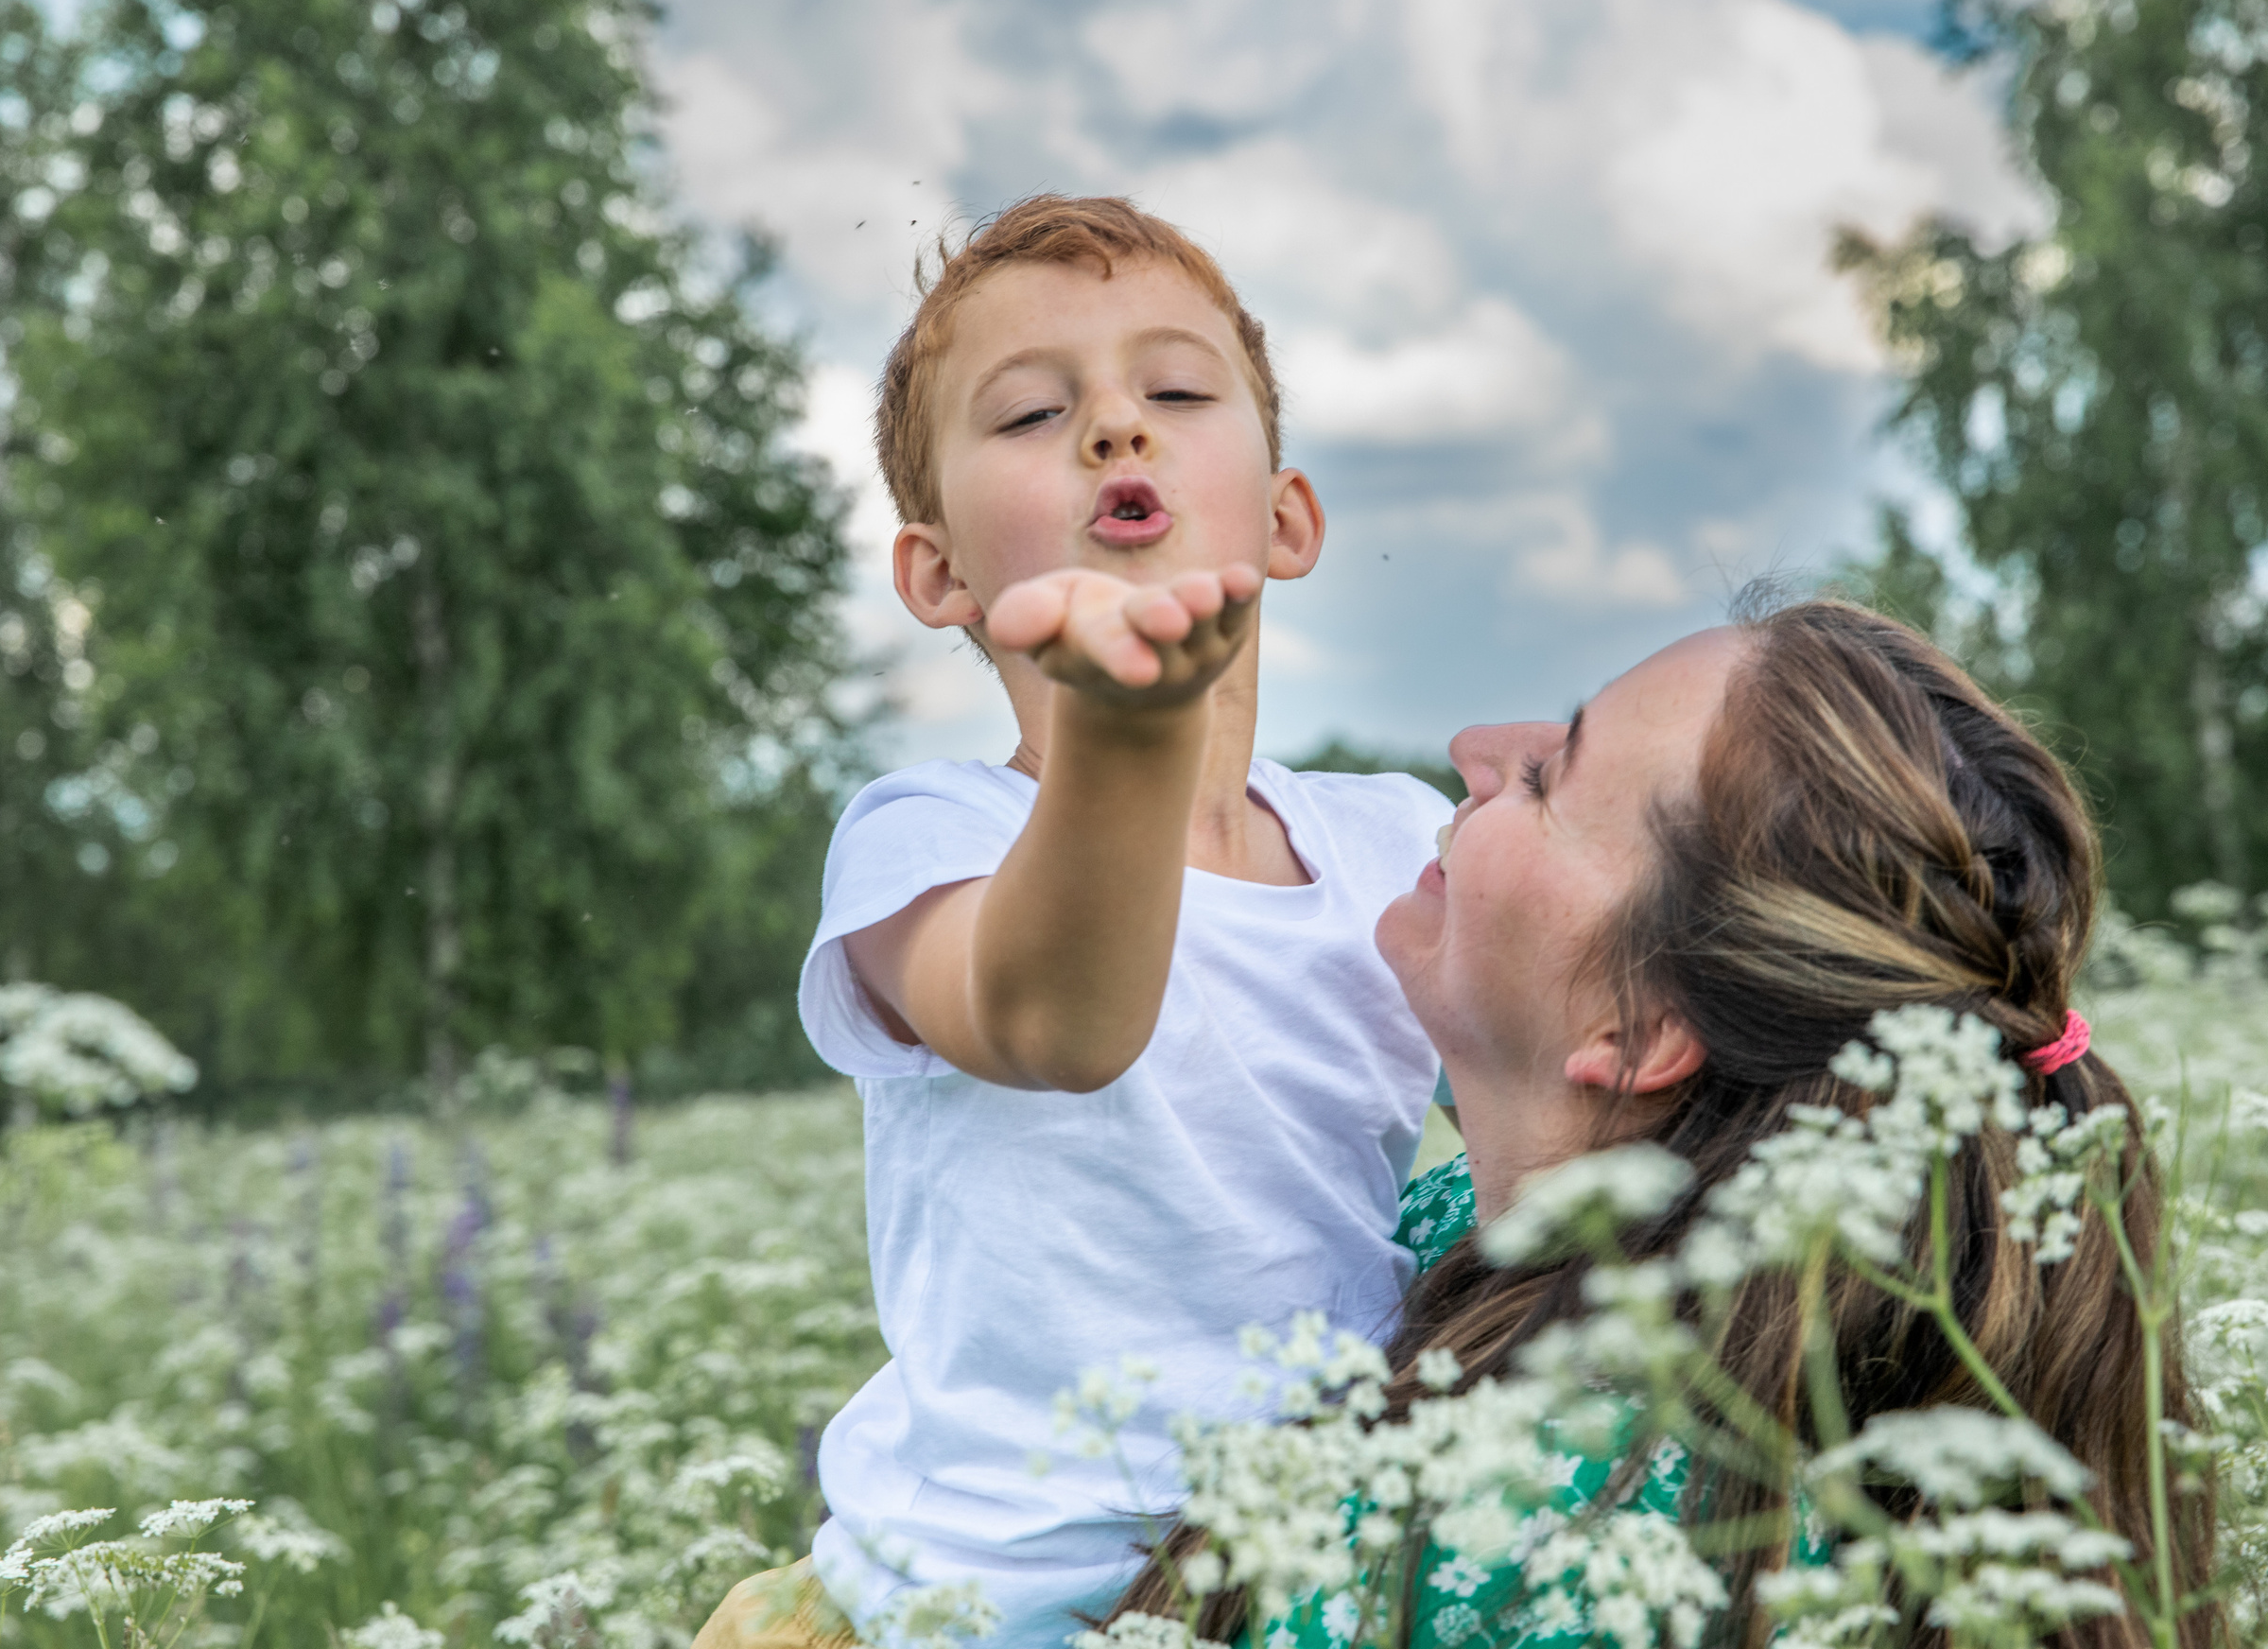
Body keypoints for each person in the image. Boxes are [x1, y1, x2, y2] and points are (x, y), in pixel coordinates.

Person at [1117, 599, 2213, 1649]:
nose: (1474, 746)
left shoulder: (1548, 1544)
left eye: (1548, 779)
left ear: (1635, 1029)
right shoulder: (1489, 1232)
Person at [693, 197, 1450, 1649]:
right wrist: (1130, 732)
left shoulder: (1392, 843)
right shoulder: (925, 839)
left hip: (1301, 1589)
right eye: (1035, 413)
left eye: (1174, 390)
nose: (1116, 426)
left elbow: (1573, 1121)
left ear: (1288, 519)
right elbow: (1056, 1023)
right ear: (940, 575)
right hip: (953, 1613)